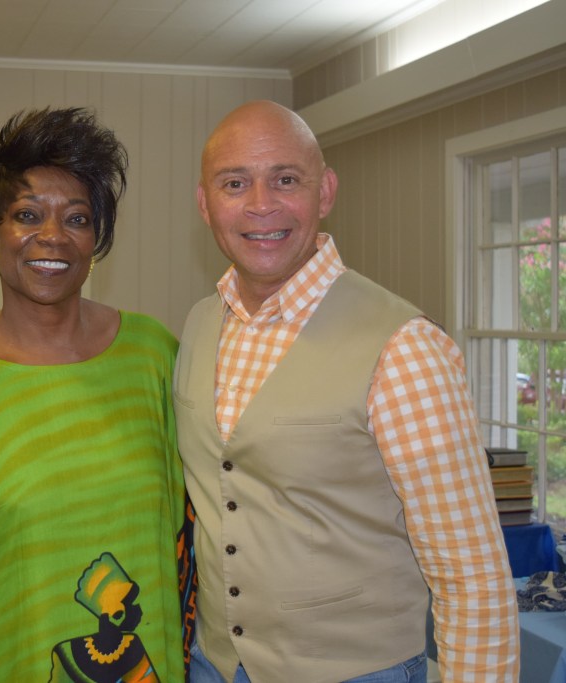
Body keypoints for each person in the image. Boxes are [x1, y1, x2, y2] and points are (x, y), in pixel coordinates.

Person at [175, 100, 520, 683]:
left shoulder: (403, 347)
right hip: (214, 665)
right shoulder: (199, 323)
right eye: (235, 183)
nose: (261, 204)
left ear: (325, 191)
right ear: (205, 204)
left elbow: (471, 574)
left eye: (286, 179)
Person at [0, 107, 196, 683]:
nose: (52, 237)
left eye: (77, 218)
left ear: (97, 239)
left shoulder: (155, 357)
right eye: (27, 215)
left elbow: (201, 525)